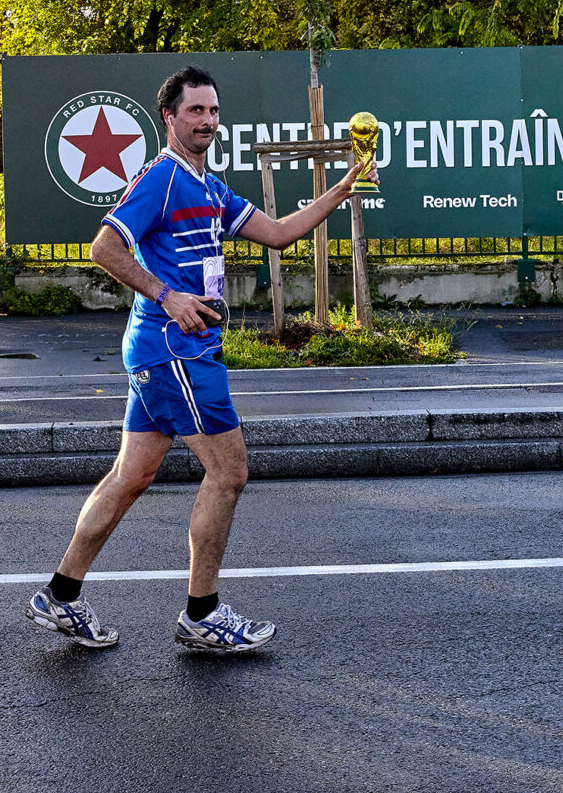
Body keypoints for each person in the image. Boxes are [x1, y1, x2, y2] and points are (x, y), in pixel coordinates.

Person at [25, 64, 377, 653]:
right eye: (195, 111)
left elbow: (279, 233)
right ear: (169, 117)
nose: (208, 121)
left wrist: (344, 188)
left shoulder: (210, 188)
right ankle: (202, 614)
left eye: (213, 111)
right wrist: (167, 294)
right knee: (229, 471)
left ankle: (60, 595)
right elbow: (104, 247)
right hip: (176, 350)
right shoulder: (162, 178)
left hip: (165, 351)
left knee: (131, 476)